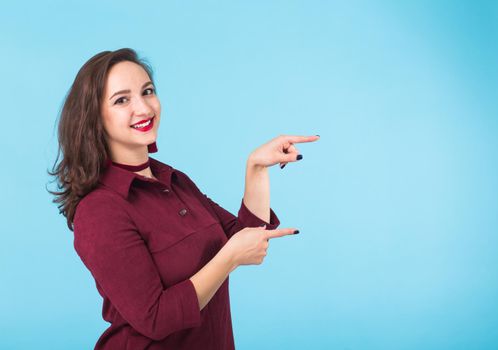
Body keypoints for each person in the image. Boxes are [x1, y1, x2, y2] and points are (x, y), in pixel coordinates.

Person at [48, 48, 319, 349]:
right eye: (122, 100)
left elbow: (246, 238)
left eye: (147, 92)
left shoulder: (173, 179)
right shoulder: (99, 211)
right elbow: (156, 318)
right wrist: (229, 259)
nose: (143, 108)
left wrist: (255, 167)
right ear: (95, 118)